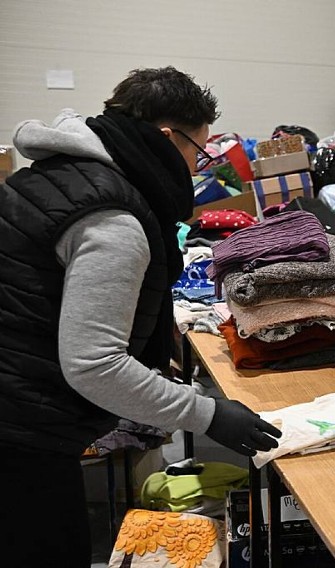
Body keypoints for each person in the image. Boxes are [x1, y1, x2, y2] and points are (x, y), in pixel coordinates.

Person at [0, 67, 281, 567]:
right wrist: (208, 414)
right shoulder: (113, 220)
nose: (198, 166)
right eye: (200, 149)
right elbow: (94, 364)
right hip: (19, 433)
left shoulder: (58, 175)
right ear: (167, 138)